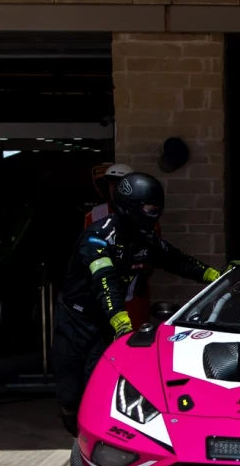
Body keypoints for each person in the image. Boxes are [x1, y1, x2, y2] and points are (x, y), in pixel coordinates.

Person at [54, 172, 221, 435]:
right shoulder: (96, 238)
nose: (153, 214)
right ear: (129, 207)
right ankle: (73, 423)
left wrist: (216, 278)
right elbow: (104, 280)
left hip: (105, 323)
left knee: (94, 387)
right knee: (70, 394)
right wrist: (121, 320)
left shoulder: (146, 239)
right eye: (148, 209)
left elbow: (178, 261)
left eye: (157, 209)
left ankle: (89, 443)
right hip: (75, 321)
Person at [84, 162, 133, 229]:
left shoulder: (140, 212)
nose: (115, 189)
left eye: (120, 184)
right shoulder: (95, 214)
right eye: (112, 184)